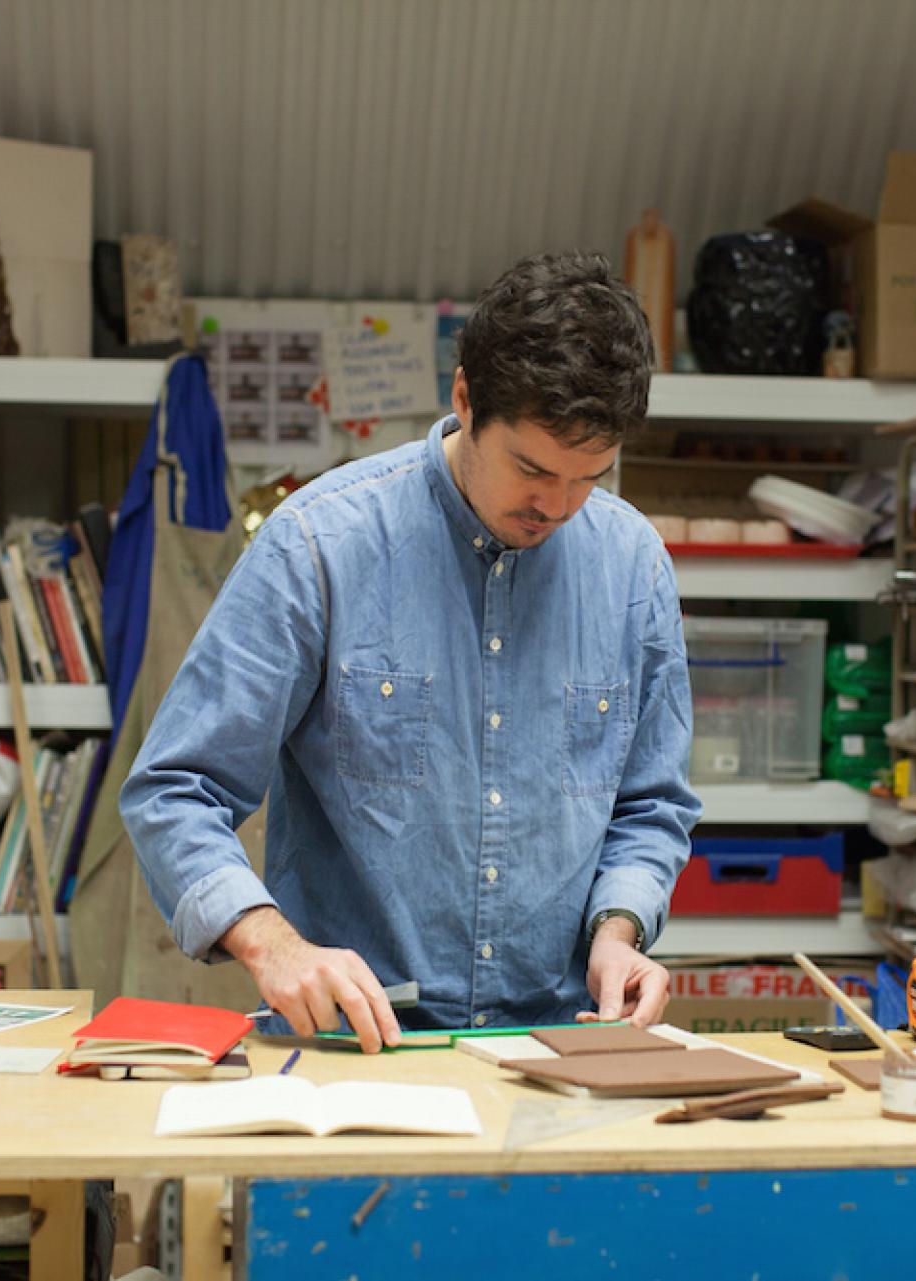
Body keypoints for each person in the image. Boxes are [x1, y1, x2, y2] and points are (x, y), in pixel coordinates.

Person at [121, 251, 700, 1052]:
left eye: (588, 477)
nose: (557, 506)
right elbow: (175, 789)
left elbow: (650, 803)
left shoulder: (632, 565)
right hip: (356, 1049)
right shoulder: (321, 544)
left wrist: (620, 927)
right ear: (465, 399)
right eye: (533, 469)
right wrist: (270, 942)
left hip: (561, 1050)